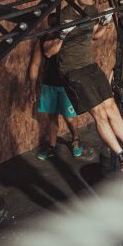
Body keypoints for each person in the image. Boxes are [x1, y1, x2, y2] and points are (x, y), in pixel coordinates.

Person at [43, 0, 123, 173]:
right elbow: (48, 52)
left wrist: (105, 23)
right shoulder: (61, 17)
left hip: (90, 66)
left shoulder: (91, 10)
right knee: (100, 113)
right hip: (72, 71)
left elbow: (95, 37)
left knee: (112, 108)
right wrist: (61, 35)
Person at [27, 14, 83, 160]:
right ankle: (51, 147)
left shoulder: (69, 38)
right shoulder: (43, 39)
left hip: (67, 84)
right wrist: (32, 88)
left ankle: (76, 139)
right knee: (52, 118)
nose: (53, 26)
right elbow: (35, 65)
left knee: (70, 117)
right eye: (51, 23)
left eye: (56, 23)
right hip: (49, 84)